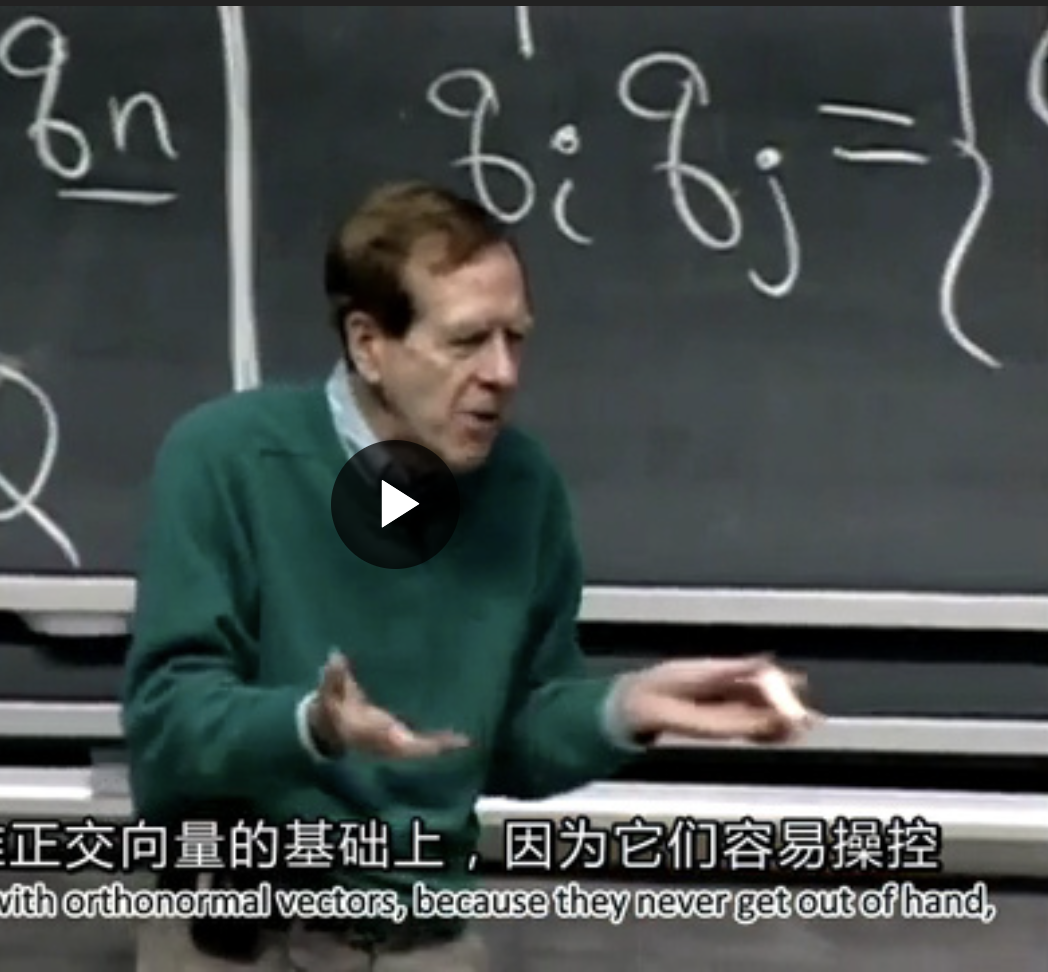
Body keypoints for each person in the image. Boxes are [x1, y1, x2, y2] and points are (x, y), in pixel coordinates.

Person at [121, 181, 816, 971]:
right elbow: (167, 722)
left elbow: (509, 741)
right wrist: (315, 724)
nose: (502, 372)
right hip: (242, 937)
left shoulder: (521, 489)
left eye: (515, 339)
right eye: (466, 341)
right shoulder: (228, 460)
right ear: (368, 345)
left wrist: (626, 709)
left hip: (425, 938)